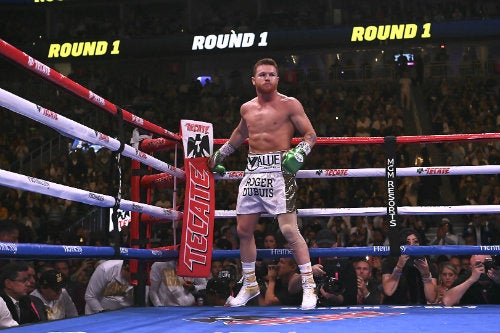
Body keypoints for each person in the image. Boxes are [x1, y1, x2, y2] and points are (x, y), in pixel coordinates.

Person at [207, 58, 317, 310]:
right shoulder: (246, 108)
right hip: (253, 171)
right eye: (262, 74)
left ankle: (309, 286)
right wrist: (219, 156)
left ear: (277, 79)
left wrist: (299, 153)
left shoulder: (291, 104)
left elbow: (311, 135)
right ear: (253, 80)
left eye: (271, 75)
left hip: (280, 171)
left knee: (289, 230)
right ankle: (249, 284)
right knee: (243, 231)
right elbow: (239, 134)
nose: (267, 78)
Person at [381, 228, 437, 304]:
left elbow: (431, 298)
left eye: (415, 242)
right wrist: (399, 267)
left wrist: (426, 275)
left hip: (419, 310)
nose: (412, 245)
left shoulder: (425, 264)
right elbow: (388, 291)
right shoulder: (390, 262)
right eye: (407, 242)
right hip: (394, 309)